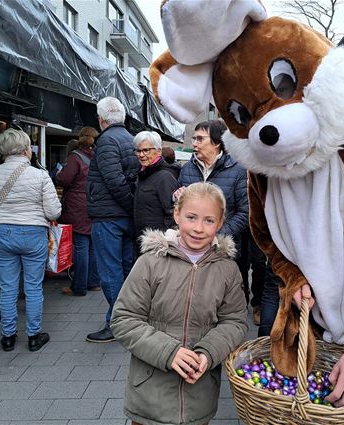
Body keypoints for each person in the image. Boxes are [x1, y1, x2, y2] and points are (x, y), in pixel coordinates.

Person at [111, 182, 248, 425]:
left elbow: (234, 322)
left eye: (209, 220)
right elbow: (124, 318)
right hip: (149, 394)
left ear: (220, 222)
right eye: (191, 217)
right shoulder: (150, 263)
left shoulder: (228, 270)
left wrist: (208, 353)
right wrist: (168, 352)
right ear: (177, 215)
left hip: (200, 395)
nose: (198, 228)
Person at [0, 129, 61, 352]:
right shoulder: (40, 176)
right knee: (33, 287)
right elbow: (53, 212)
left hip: (2, 234)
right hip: (33, 233)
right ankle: (33, 335)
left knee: (7, 287)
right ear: (26, 150)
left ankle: (8, 336)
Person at [86, 96, 139, 343]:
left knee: (110, 272)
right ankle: (127, 319)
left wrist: (129, 206)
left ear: (101, 119)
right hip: (124, 216)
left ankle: (117, 323)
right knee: (126, 269)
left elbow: (114, 181)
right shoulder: (130, 139)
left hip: (109, 216)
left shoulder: (106, 140)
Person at [175, 119, 248, 253]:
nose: (195, 144)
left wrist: (215, 235)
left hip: (224, 249)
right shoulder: (187, 169)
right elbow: (178, 208)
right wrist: (177, 198)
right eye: (194, 139)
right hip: (191, 248)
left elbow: (245, 213)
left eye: (200, 139)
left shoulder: (238, 170)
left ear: (217, 142)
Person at [56, 127, 100, 296]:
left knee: (81, 246)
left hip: (77, 206)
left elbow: (65, 179)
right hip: (95, 203)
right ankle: (94, 282)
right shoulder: (98, 157)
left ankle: (79, 286)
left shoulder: (75, 157)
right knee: (93, 247)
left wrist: (58, 174)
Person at [133, 131, 179, 256]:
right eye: (138, 151)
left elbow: (172, 213)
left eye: (146, 150)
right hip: (143, 241)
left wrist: (165, 242)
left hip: (157, 246)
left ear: (158, 151)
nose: (141, 155)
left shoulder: (164, 176)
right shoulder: (143, 174)